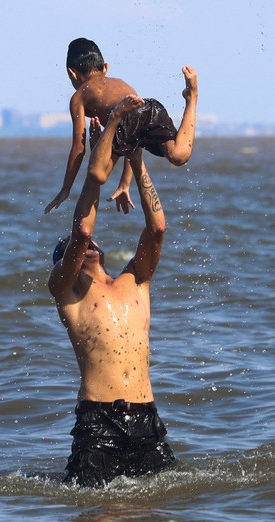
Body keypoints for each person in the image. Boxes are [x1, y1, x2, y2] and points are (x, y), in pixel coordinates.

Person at [47, 144, 174, 488]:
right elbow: (82, 233)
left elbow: (158, 227)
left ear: (101, 252)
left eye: (87, 245)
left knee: (161, 509)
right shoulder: (68, 293)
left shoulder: (136, 281)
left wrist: (137, 162)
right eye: (71, 251)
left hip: (146, 419)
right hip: (97, 420)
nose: (83, 246)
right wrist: (96, 171)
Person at [44, 37, 198, 215]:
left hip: (121, 121)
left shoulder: (79, 96)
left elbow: (79, 146)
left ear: (72, 73)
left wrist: (66, 188)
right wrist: (125, 183)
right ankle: (192, 98)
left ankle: (114, 119)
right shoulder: (122, 84)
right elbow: (133, 138)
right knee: (179, 156)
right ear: (106, 68)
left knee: (97, 175)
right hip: (150, 108)